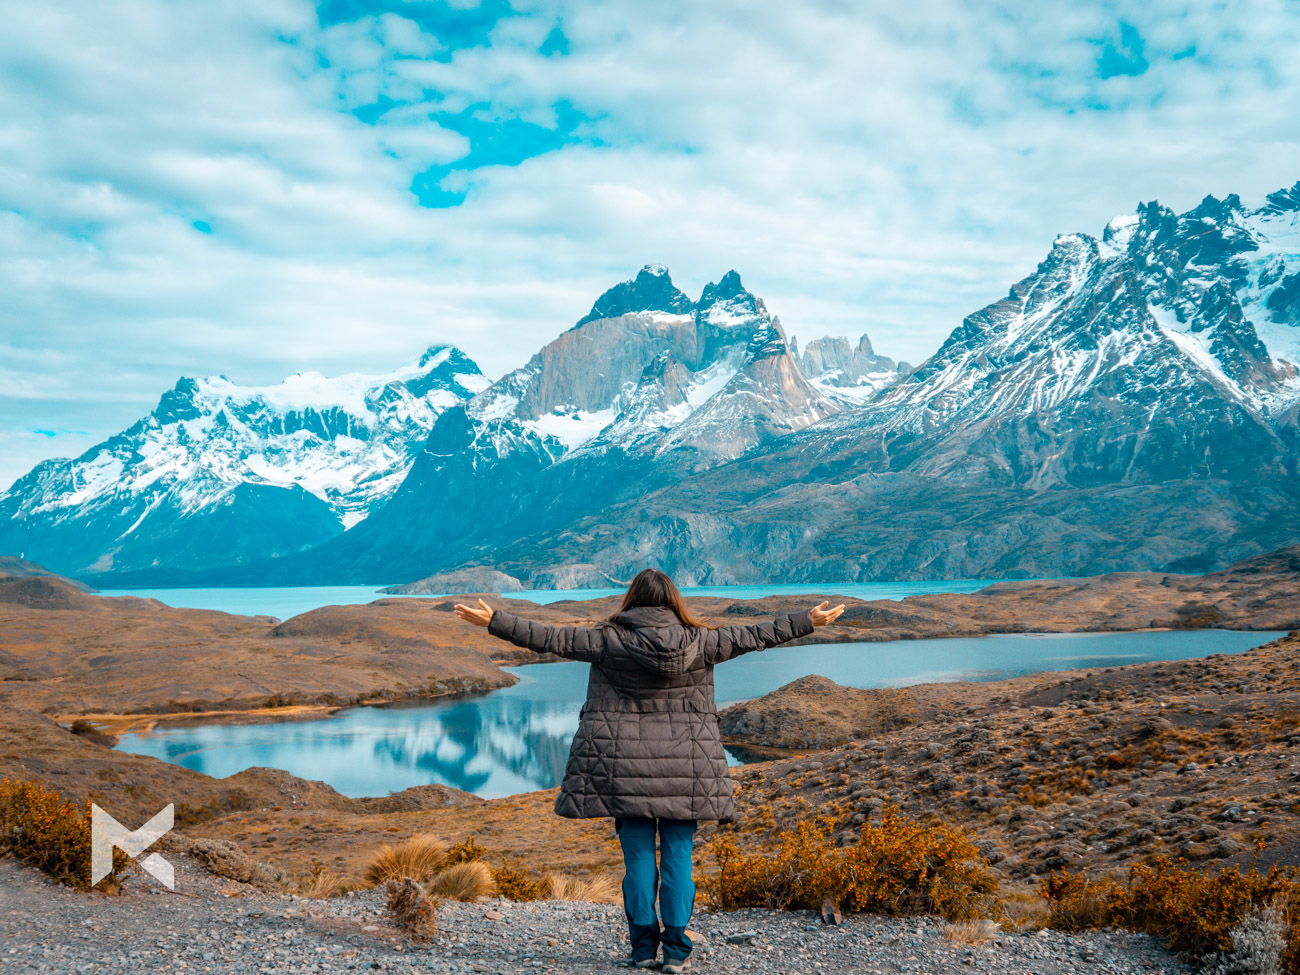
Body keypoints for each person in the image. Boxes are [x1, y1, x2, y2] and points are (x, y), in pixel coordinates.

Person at [455, 569, 845, 973]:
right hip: (687, 770)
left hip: (624, 769)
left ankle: (643, 950)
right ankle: (676, 951)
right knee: (679, 856)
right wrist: (807, 620)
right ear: (673, 601)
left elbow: (550, 638)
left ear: (633, 600)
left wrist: (494, 621)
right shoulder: (703, 641)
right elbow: (757, 635)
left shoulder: (608, 640)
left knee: (638, 858)